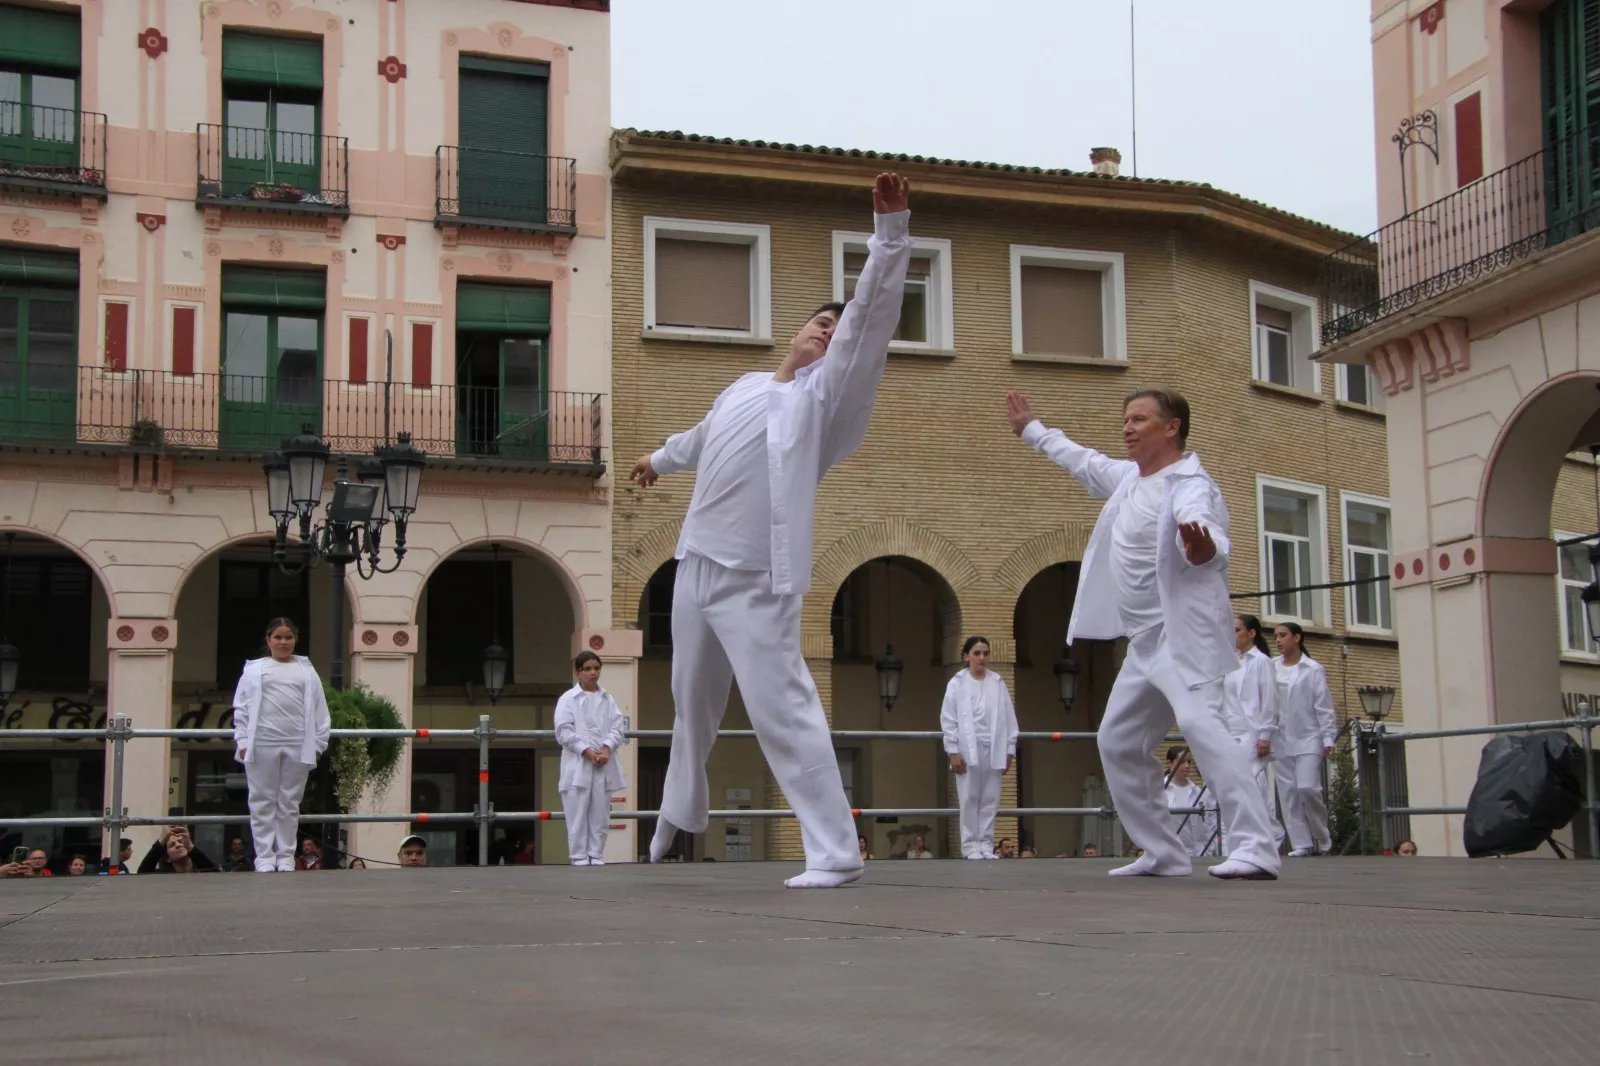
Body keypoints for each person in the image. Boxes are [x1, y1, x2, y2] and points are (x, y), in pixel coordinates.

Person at [629, 173, 914, 890]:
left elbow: (871, 321)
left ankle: (835, 850)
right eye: (819, 322)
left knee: (780, 708)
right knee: (689, 703)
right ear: (794, 332)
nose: (829, 329)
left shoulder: (827, 401)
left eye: (836, 328)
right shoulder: (745, 388)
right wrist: (656, 460)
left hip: (756, 577)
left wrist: (889, 235)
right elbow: (700, 437)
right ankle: (676, 816)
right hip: (693, 564)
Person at [1006, 387, 1280, 881]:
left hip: (1184, 637)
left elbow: (1211, 533)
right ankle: (1163, 852)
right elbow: (1083, 461)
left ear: (1171, 427)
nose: (1127, 427)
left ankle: (1257, 846)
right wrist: (1033, 432)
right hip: (1144, 643)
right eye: (1125, 419)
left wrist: (1204, 552)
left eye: (1139, 419)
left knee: (1201, 727)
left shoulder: (1191, 483)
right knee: (1118, 741)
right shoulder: (1130, 478)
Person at [231, 617, 331, 873]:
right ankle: (264, 855)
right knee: (262, 800)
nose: (283, 642)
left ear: (295, 640)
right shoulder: (254, 669)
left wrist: (318, 744)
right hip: (263, 741)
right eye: (278, 637)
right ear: (268, 640)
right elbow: (241, 708)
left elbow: (320, 709)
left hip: (297, 742)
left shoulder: (306, 671)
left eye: (288, 637)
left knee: (289, 801)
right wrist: (242, 741)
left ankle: (286, 854)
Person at [940, 635, 1019, 860]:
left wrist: (1009, 750)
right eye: (977, 653)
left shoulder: (997, 683)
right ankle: (970, 846)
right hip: (967, 748)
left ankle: (986, 843)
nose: (982, 658)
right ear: (966, 656)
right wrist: (953, 750)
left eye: (985, 653)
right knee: (969, 798)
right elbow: (948, 719)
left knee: (990, 798)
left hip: (994, 747)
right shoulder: (957, 683)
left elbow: (1009, 717)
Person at [554, 650, 627, 867]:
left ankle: (596, 853)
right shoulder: (568, 699)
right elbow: (563, 730)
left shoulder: (608, 699)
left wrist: (606, 749)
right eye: (588, 669)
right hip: (577, 763)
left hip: (603, 763)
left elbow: (617, 727)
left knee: (601, 812)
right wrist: (585, 750)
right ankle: (578, 856)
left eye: (596, 668)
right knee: (576, 811)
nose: (593, 673)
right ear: (578, 672)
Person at [1273, 622, 1337, 858]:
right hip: (1280, 738)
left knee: (1308, 787)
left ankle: (1322, 835)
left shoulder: (1313, 669)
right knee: (1288, 792)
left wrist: (1328, 736)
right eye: (1276, 636)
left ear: (1297, 638)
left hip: (1309, 736)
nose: (1278, 640)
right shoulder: (1271, 667)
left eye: (1283, 635)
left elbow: (1323, 705)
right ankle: (1301, 842)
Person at [1224, 614, 1284, 850]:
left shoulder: (1261, 662)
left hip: (1251, 733)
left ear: (1251, 633)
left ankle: (1268, 836)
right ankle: (1261, 835)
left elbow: (1270, 699)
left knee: (1246, 786)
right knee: (1240, 787)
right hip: (1230, 731)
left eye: (1237, 630)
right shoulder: (1230, 661)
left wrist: (1265, 735)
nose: (1232, 634)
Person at [1162, 747, 1217, 857]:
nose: (1187, 766)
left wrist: (1210, 849)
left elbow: (1210, 823)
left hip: (1199, 855)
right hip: (1170, 855)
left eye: (1189, 762)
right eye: (1182, 761)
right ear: (1169, 763)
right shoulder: (1159, 791)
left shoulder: (1199, 792)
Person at [136, 826, 218, 874]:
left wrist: (191, 847)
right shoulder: (162, 876)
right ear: (168, 858)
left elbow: (217, 876)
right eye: (172, 845)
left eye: (180, 842)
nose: (178, 845)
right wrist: (161, 842)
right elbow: (142, 874)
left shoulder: (202, 870)